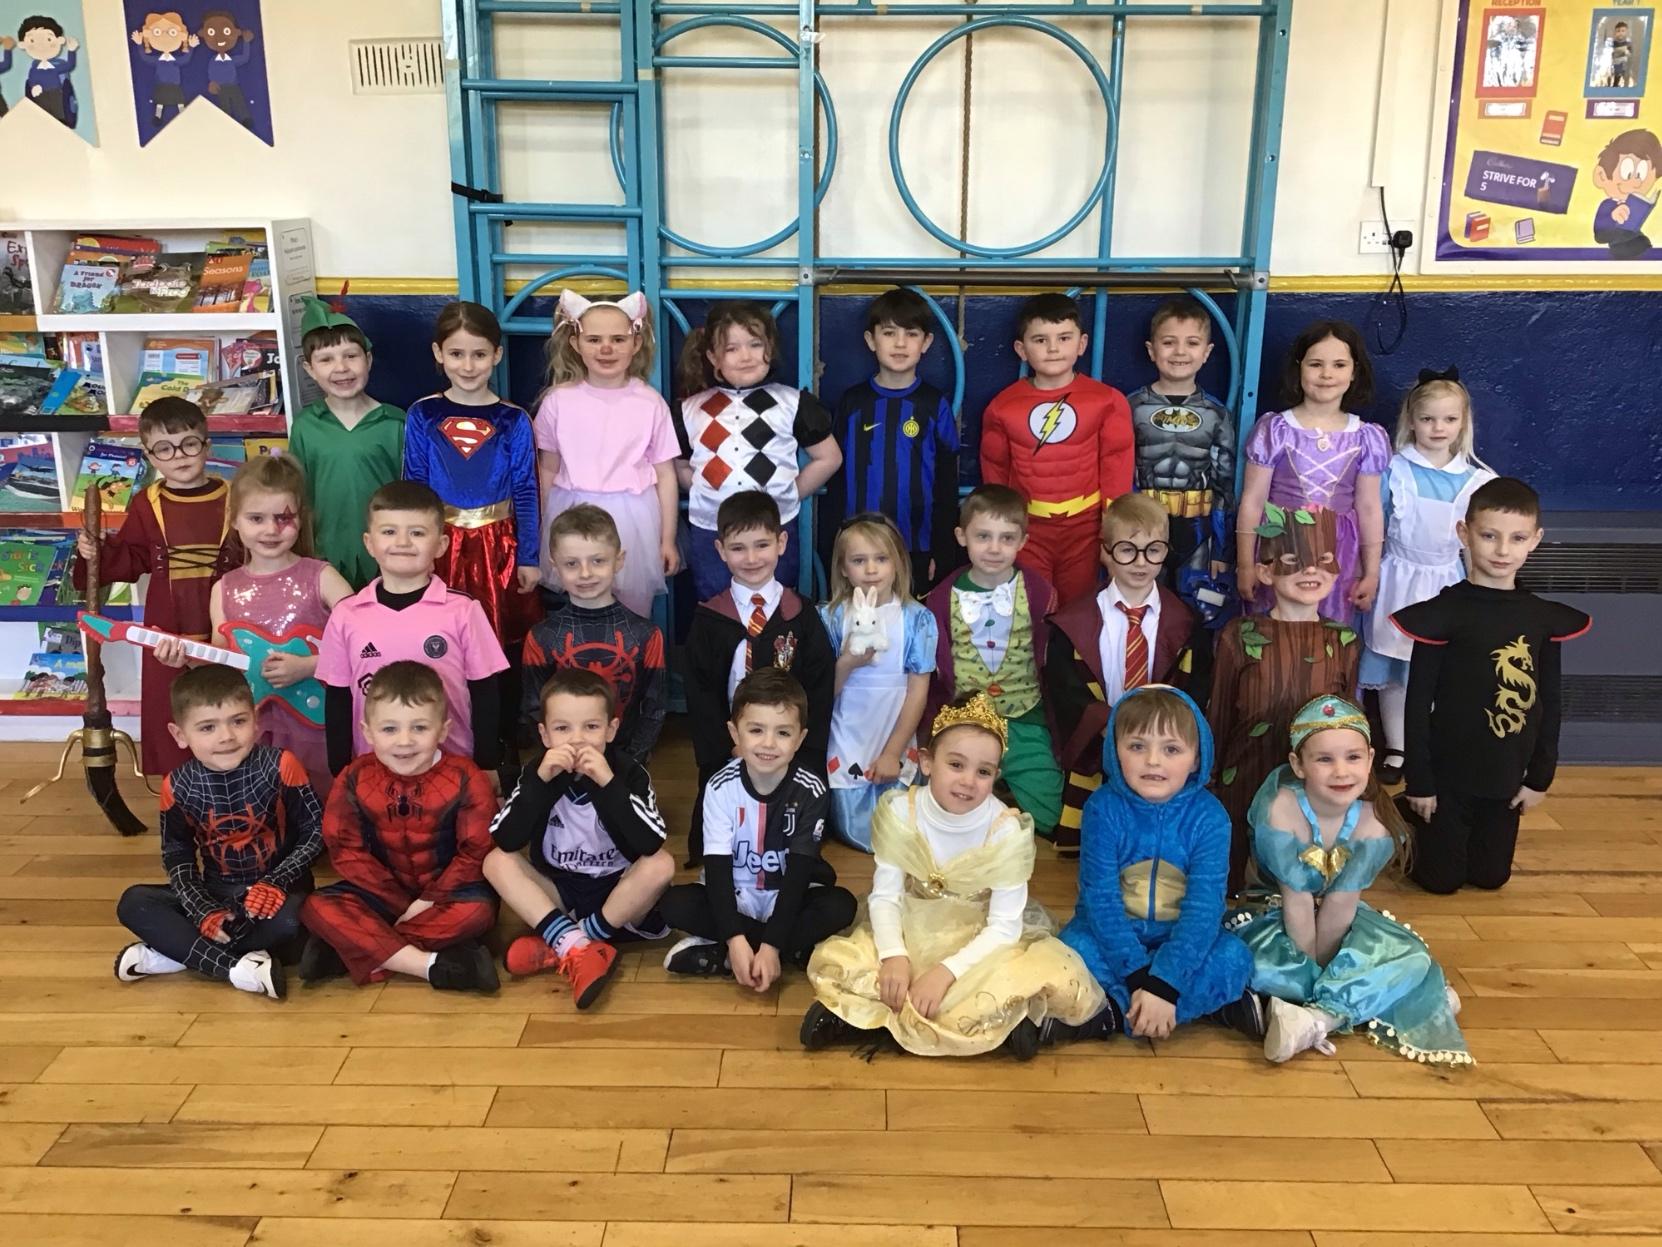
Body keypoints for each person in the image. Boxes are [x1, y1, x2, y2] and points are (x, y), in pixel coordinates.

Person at [802, 692, 1106, 1059]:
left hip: (978, 935)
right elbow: (886, 896)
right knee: (850, 962)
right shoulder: (901, 812)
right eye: (956, 765)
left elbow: (1004, 928)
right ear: (927, 762)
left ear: (996, 775)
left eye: (983, 772)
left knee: (1014, 977)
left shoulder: (1005, 831)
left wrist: (945, 972)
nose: (968, 781)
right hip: (911, 923)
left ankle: (1000, 1022)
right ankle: (864, 1016)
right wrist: (894, 956)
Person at [1236, 695, 1471, 1066]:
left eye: (1353, 757)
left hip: (1338, 922)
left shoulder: (1374, 824)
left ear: (1371, 759)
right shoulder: (1281, 809)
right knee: (1250, 963)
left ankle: (1315, 1019)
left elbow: (1341, 905)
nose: (1341, 772)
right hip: (1276, 915)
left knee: (1412, 957)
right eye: (1324, 760)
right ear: (1298, 765)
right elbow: (1297, 900)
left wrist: (1322, 979)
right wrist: (1312, 975)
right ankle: (1385, 998)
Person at [1393, 477, 1590, 894]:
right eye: (1489, 536)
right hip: (1448, 777)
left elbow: (1549, 702)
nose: (1502, 550)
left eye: (1517, 538)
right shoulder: (1444, 613)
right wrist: (1420, 783)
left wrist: (1539, 778)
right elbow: (1417, 704)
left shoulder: (1541, 618)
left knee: (1490, 878)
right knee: (1442, 882)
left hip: (1504, 777)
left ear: (1535, 540)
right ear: (1464, 533)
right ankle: (1401, 816)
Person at [1051, 686, 1261, 1046]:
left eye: (1171, 749)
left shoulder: (1210, 817)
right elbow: (1101, 901)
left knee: (1235, 958)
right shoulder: (1102, 808)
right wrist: (1138, 976)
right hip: (1112, 936)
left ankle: (1111, 1014)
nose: (1152, 761)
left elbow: (1204, 908)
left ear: (1196, 758)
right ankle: (1189, 1008)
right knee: (1070, 949)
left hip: (1179, 937)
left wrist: (1165, 981)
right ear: (1114, 750)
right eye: (1137, 746)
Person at [114, 664, 323, 1000]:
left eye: (238, 721)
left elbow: (316, 831)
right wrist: (201, 908)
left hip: (279, 896)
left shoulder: (282, 764)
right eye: (207, 727)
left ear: (256, 720)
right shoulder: (177, 785)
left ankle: (176, 953)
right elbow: (177, 855)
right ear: (180, 735)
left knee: (297, 922)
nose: (226, 736)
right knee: (134, 903)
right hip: (216, 893)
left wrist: (276, 881)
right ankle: (236, 968)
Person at [299, 662, 500, 992]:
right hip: (379, 893)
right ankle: (429, 964)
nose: (404, 741)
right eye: (389, 729)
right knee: (316, 906)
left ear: (443, 730)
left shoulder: (466, 777)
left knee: (478, 913)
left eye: (419, 728)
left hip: (450, 894)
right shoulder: (354, 776)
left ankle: (348, 949)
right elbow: (344, 847)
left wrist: (428, 900)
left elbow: (476, 850)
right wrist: (397, 901)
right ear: (367, 732)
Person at [485, 668, 675, 1008]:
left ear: (611, 730)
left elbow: (650, 842)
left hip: (619, 895)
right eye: (562, 728)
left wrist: (609, 785)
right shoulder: (536, 772)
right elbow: (507, 838)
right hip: (562, 894)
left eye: (591, 727)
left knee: (661, 865)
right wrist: (539, 784)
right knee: (495, 862)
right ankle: (581, 946)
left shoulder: (629, 772)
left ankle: (567, 942)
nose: (577, 740)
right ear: (544, 734)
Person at [660, 668, 857, 986]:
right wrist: (737, 938)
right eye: (756, 730)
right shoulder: (719, 787)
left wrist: (771, 944)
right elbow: (717, 869)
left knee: (841, 905)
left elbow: (799, 872)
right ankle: (786, 952)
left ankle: (727, 956)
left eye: (783, 733)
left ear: (800, 739)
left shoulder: (811, 789)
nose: (768, 743)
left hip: (787, 893)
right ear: (735, 733)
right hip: (735, 894)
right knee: (674, 904)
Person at [73, 397, 237, 776]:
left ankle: (237, 775)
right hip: (168, 625)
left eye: (189, 444)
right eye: (164, 448)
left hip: (225, 618)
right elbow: (130, 558)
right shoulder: (147, 503)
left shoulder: (234, 496)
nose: (178, 456)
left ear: (207, 445)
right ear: (149, 456)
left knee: (230, 695)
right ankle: (181, 784)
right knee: (174, 702)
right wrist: (95, 552)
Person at [1209, 507, 1360, 893]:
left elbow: (1349, 728)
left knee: (1300, 887)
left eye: (1323, 560)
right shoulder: (1238, 635)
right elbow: (1219, 717)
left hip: (1313, 792)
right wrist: (1208, 784)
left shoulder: (1342, 640)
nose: (1310, 570)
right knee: (1238, 888)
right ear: (1265, 571)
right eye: (1293, 560)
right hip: (1243, 783)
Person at [317, 481, 508, 778]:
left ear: (441, 545)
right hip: (373, 773)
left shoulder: (463, 611)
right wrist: (340, 770)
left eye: (417, 533)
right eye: (389, 532)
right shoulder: (346, 615)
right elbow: (338, 698)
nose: (403, 542)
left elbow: (485, 691)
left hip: (453, 770)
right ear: (369, 543)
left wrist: (487, 764)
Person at [683, 490, 835, 860]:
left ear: (781, 543)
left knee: (794, 838)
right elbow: (700, 693)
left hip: (788, 749)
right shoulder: (710, 618)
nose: (751, 559)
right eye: (738, 548)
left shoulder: (800, 615)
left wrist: (797, 745)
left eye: (762, 545)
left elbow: (818, 688)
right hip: (730, 747)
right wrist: (729, 745)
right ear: (720, 550)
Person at [1359, 369, 1494, 783]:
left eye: (1449, 419)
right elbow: (1373, 524)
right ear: (1412, 420)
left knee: (1439, 671)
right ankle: (1398, 747)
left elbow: (1478, 544)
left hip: (1446, 583)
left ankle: (1430, 745)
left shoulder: (1479, 481)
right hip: (1397, 580)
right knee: (1395, 671)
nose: (1438, 428)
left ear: (1463, 422)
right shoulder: (1393, 469)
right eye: (1428, 418)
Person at [1046, 493, 1198, 849]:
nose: (1141, 562)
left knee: (1153, 845)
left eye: (1153, 550)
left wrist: (1153, 734)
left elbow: (1192, 688)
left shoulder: (1185, 624)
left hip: (1159, 748)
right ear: (1105, 551)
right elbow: (1065, 690)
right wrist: (1110, 727)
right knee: (1098, 841)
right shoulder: (1073, 621)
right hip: (1099, 745)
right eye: (1127, 550)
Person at [405, 299, 542, 668]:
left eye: (479, 354)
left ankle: (496, 705)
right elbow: (413, 488)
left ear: (497, 354)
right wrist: (416, 550)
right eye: (456, 354)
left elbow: (527, 491)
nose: (467, 366)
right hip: (440, 544)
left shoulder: (513, 419)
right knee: (438, 639)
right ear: (439, 353)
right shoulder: (423, 414)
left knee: (497, 643)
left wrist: (529, 557)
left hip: (499, 548)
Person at [923, 485, 1062, 844]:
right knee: (946, 805)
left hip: (1024, 715)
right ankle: (986, 798)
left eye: (1007, 538)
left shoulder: (1040, 592)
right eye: (983, 536)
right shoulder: (940, 598)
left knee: (1048, 816)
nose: (995, 548)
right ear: (962, 537)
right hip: (967, 722)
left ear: (1023, 541)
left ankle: (1003, 798)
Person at [674, 301, 843, 598]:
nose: (746, 356)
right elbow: (675, 464)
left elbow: (829, 457)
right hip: (712, 528)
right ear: (712, 356)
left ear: (770, 347)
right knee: (716, 605)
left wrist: (790, 492)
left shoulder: (793, 403)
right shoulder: (690, 410)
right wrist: (702, 488)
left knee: (777, 604)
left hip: (773, 528)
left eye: (755, 344)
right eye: (731, 348)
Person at [206, 455, 351, 796]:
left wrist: (311, 665)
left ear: (301, 519)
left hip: (318, 724)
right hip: (252, 727)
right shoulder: (223, 589)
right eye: (256, 518)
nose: (270, 530)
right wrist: (184, 657)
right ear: (234, 520)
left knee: (325, 803)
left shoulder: (322, 577)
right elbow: (221, 661)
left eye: (283, 518)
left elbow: (367, 642)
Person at [979, 292, 1134, 603]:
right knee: (1032, 607)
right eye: (1040, 340)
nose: (1053, 348)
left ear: (1082, 343)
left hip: (1086, 529)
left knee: (1078, 609)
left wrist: (1114, 531)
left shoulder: (1106, 400)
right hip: (1028, 529)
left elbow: (1117, 465)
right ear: (1021, 349)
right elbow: (995, 471)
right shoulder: (1002, 407)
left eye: (1064, 338)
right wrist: (1001, 529)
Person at [533, 289, 679, 615]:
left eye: (618, 339)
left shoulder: (650, 402)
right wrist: (537, 532)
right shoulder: (557, 401)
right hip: (570, 513)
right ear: (575, 343)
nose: (606, 348)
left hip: (633, 519)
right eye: (594, 339)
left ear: (636, 344)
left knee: (632, 610)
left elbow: (666, 475)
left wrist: (667, 539)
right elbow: (547, 469)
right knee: (578, 603)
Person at [1235, 321, 1389, 625]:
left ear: (1354, 372)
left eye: (1339, 365)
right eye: (1316, 364)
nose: (1327, 374)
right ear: (1299, 368)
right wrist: (1245, 564)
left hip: (1338, 554)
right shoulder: (1276, 430)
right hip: (1281, 548)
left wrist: (1371, 572)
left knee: (1328, 631)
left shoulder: (1365, 437)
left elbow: (1369, 507)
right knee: (1273, 630)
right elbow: (1253, 500)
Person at [823, 287, 960, 592]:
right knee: (861, 618)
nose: (900, 343)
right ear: (871, 340)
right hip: (858, 549)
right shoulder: (853, 402)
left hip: (916, 547)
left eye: (911, 334)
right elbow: (836, 482)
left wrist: (942, 549)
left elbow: (946, 483)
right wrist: (832, 542)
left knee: (910, 617)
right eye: (888, 333)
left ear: (926, 343)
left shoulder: (933, 404)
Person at [819, 513, 937, 851]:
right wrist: (847, 663)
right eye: (859, 560)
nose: (871, 569)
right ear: (843, 568)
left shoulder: (917, 619)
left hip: (893, 732)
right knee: (853, 824)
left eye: (881, 559)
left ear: (897, 562)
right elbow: (821, 693)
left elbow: (917, 693)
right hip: (847, 735)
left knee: (898, 822)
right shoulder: (830, 617)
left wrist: (892, 752)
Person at [522, 504, 666, 763]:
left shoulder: (646, 635)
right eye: (572, 564)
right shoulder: (541, 637)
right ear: (555, 566)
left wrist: (631, 762)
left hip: (626, 766)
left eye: (597, 561)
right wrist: (560, 756)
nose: (585, 573)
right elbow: (534, 708)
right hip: (562, 763)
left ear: (618, 561)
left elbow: (654, 708)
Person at [1125, 295, 1237, 610]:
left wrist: (1222, 550)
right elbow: (1119, 473)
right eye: (1169, 342)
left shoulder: (1216, 413)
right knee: (1139, 604)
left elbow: (1225, 483)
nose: (1180, 352)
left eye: (1192, 343)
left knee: (1199, 608)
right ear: (1152, 350)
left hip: (1198, 527)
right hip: (1143, 526)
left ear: (1206, 353)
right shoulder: (1131, 407)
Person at [288, 296, 405, 590]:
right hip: (325, 556)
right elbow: (299, 497)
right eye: (326, 359)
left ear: (369, 359)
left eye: (351, 356)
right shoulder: (305, 427)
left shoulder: (396, 423)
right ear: (309, 369)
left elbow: (411, 497)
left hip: (390, 557)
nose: (341, 368)